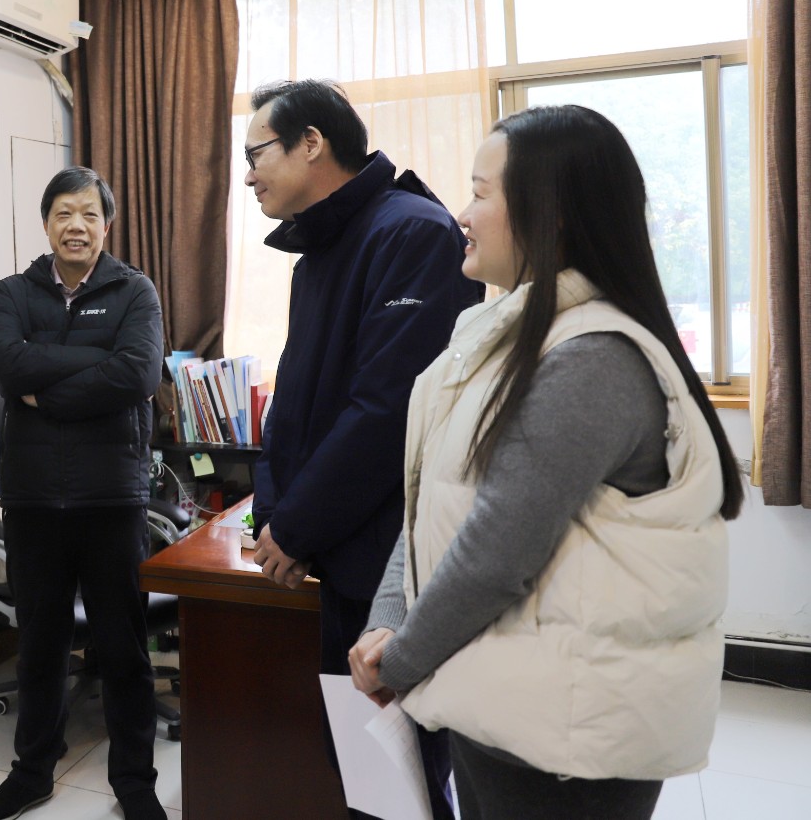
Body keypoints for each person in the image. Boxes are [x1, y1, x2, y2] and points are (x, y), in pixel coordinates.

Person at [348, 105, 745, 820]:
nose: (461, 214)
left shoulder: (591, 360)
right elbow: (432, 494)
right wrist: (388, 618)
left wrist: (400, 659)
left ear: (550, 214)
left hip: (564, 740)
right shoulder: (498, 335)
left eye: (479, 192)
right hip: (498, 703)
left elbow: (495, 553)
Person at [243, 79, 480, 818]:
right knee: (360, 761)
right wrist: (274, 520)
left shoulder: (412, 233)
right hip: (337, 550)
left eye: (255, 154)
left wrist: (296, 527)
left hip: (387, 559)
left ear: (311, 143)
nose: (247, 176)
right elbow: (295, 404)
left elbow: (387, 414)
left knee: (403, 763)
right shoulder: (321, 249)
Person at [0, 166, 168, 820]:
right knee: (39, 646)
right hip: (32, 497)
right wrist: (94, 365)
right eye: (63, 213)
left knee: (123, 647)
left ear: (106, 225)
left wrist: (45, 393)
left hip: (111, 496)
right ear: (46, 223)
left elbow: (138, 372)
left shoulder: (134, 290)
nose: (76, 226)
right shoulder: (12, 292)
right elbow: (9, 365)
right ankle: (32, 772)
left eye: (88, 214)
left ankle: (134, 781)